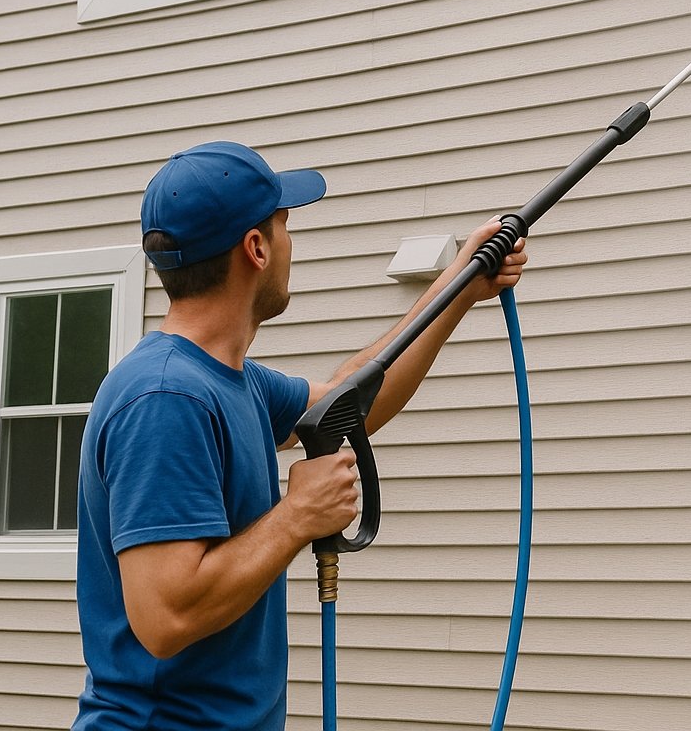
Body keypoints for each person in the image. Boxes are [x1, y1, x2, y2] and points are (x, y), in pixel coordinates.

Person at [73, 140, 527, 730]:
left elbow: (349, 403)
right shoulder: (166, 398)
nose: (291, 243)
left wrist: (458, 287)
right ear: (256, 248)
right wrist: (297, 515)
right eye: (284, 224)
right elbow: (165, 618)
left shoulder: (228, 381)